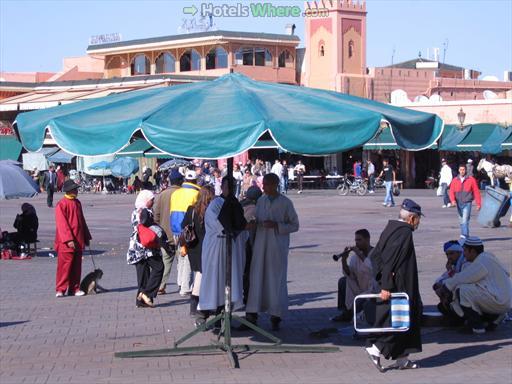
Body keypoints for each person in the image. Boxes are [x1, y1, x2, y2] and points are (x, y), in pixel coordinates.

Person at [366, 199, 423, 372]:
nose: (419, 222)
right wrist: (386, 285)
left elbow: (375, 256)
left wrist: (381, 277)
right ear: (412, 218)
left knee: (408, 319)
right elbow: (390, 259)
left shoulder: (391, 228)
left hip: (398, 282)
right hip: (400, 284)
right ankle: (375, 348)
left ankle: (402, 359)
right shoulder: (404, 232)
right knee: (401, 320)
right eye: (419, 218)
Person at [244, 173, 300, 330]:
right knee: (257, 278)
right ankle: (253, 313)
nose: (264, 187)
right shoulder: (261, 201)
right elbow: (256, 218)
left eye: (267, 184)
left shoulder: (285, 203)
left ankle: (276, 315)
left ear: (275, 185)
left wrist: (277, 225)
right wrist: (254, 223)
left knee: (276, 279)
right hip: (260, 246)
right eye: (264, 184)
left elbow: (295, 225)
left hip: (277, 246)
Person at [197, 177, 248, 324]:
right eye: (228, 186)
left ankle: (224, 312)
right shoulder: (215, 204)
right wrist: (237, 227)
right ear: (223, 187)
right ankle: (204, 313)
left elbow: (240, 224)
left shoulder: (235, 204)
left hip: (231, 247)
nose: (231, 189)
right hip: (216, 248)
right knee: (214, 281)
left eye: (233, 186)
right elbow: (219, 225)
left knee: (228, 282)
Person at [440, 236, 512, 334]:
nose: (464, 254)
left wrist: (446, 287)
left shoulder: (481, 262)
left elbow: (463, 277)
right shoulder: (489, 256)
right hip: (505, 301)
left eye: (465, 251)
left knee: (462, 290)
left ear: (472, 251)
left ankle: (477, 326)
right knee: (471, 289)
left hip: (499, 301)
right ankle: (494, 319)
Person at [126, 190, 165, 308]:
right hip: (147, 247)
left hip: (136, 247)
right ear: (145, 200)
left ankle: (141, 301)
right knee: (159, 267)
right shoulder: (145, 212)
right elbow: (150, 228)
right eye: (151, 200)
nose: (153, 202)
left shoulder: (135, 211)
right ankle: (146, 294)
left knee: (142, 274)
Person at [182, 185, 214, 322]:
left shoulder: (191, 210)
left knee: (199, 274)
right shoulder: (211, 211)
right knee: (203, 276)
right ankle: (199, 307)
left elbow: (183, 225)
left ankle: (194, 307)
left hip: (194, 247)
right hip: (208, 247)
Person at [55, 180, 92, 297]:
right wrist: (68, 239)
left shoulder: (77, 203)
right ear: (69, 190)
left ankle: (74, 288)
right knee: (64, 266)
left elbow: (82, 221)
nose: (77, 191)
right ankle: (60, 289)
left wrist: (86, 236)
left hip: (78, 238)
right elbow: (62, 224)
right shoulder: (62, 204)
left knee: (76, 266)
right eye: (75, 189)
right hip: (66, 242)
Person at [331, 229, 377, 322]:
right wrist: (344, 260)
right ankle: (346, 313)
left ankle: (353, 313)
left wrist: (360, 255)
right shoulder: (355, 257)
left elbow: (373, 270)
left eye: (359, 240)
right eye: (356, 240)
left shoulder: (376, 253)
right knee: (343, 281)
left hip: (373, 289)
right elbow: (350, 275)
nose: (356, 243)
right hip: (360, 287)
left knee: (359, 305)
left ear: (367, 240)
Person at [170, 170, 201, 296]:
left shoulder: (176, 193)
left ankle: (180, 282)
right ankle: (186, 286)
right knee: (188, 256)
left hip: (175, 228)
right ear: (195, 180)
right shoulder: (197, 193)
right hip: (188, 229)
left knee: (181, 256)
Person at [153, 170, 183, 295]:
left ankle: (161, 285)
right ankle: (183, 285)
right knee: (182, 260)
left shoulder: (161, 195)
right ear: (181, 181)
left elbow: (156, 215)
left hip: (165, 234)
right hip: (180, 233)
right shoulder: (183, 193)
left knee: (166, 260)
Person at [432, 240, 467, 322]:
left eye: (451, 253)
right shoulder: (454, 264)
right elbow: (441, 279)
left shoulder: (465, 262)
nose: (449, 257)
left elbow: (460, 279)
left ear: (459, 252)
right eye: (447, 254)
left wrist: (450, 272)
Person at [240, 186, 263, 304]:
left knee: (243, 272)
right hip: (249, 245)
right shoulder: (254, 209)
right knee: (249, 272)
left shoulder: (240, 205)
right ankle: (248, 297)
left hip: (239, 244)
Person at [449, 164, 481, 239]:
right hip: (459, 203)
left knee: (465, 220)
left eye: (463, 170)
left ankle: (464, 235)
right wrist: (453, 201)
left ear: (465, 170)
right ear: (459, 170)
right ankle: (465, 235)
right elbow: (451, 191)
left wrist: (478, 204)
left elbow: (476, 192)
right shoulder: (455, 180)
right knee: (461, 221)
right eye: (461, 170)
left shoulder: (471, 179)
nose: (462, 171)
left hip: (467, 202)